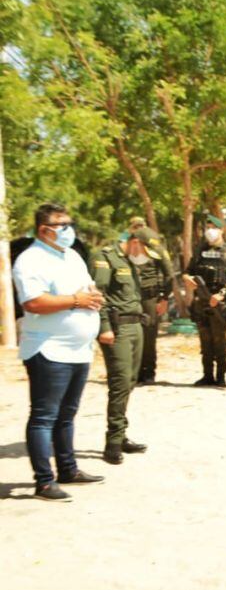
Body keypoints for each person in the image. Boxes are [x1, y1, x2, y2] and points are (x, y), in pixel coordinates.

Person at [13, 203, 105, 502]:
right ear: (44, 230)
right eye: (62, 225)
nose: (69, 229)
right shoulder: (31, 260)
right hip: (48, 349)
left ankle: (68, 469)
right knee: (44, 417)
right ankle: (43, 481)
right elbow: (34, 303)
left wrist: (92, 298)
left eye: (70, 223)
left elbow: (85, 289)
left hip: (78, 349)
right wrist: (77, 301)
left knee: (67, 414)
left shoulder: (72, 256)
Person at [90, 228, 155, 465]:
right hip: (117, 330)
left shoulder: (129, 261)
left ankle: (121, 433)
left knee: (129, 382)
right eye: (146, 250)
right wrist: (104, 326)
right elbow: (98, 293)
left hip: (135, 326)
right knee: (119, 382)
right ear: (135, 242)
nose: (147, 256)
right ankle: (113, 443)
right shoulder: (105, 257)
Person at [183, 214, 226, 387]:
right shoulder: (200, 249)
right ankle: (207, 375)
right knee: (205, 340)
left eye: (213, 227)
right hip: (201, 301)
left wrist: (222, 294)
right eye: (207, 227)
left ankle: (221, 376)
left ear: (221, 230)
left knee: (219, 341)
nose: (209, 231)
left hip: (218, 301)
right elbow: (188, 270)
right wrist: (187, 279)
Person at [128, 217, 173, 386]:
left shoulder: (153, 244)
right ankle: (139, 372)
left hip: (148, 297)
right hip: (134, 296)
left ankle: (146, 372)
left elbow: (168, 274)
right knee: (136, 334)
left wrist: (163, 298)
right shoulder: (127, 246)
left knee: (147, 334)